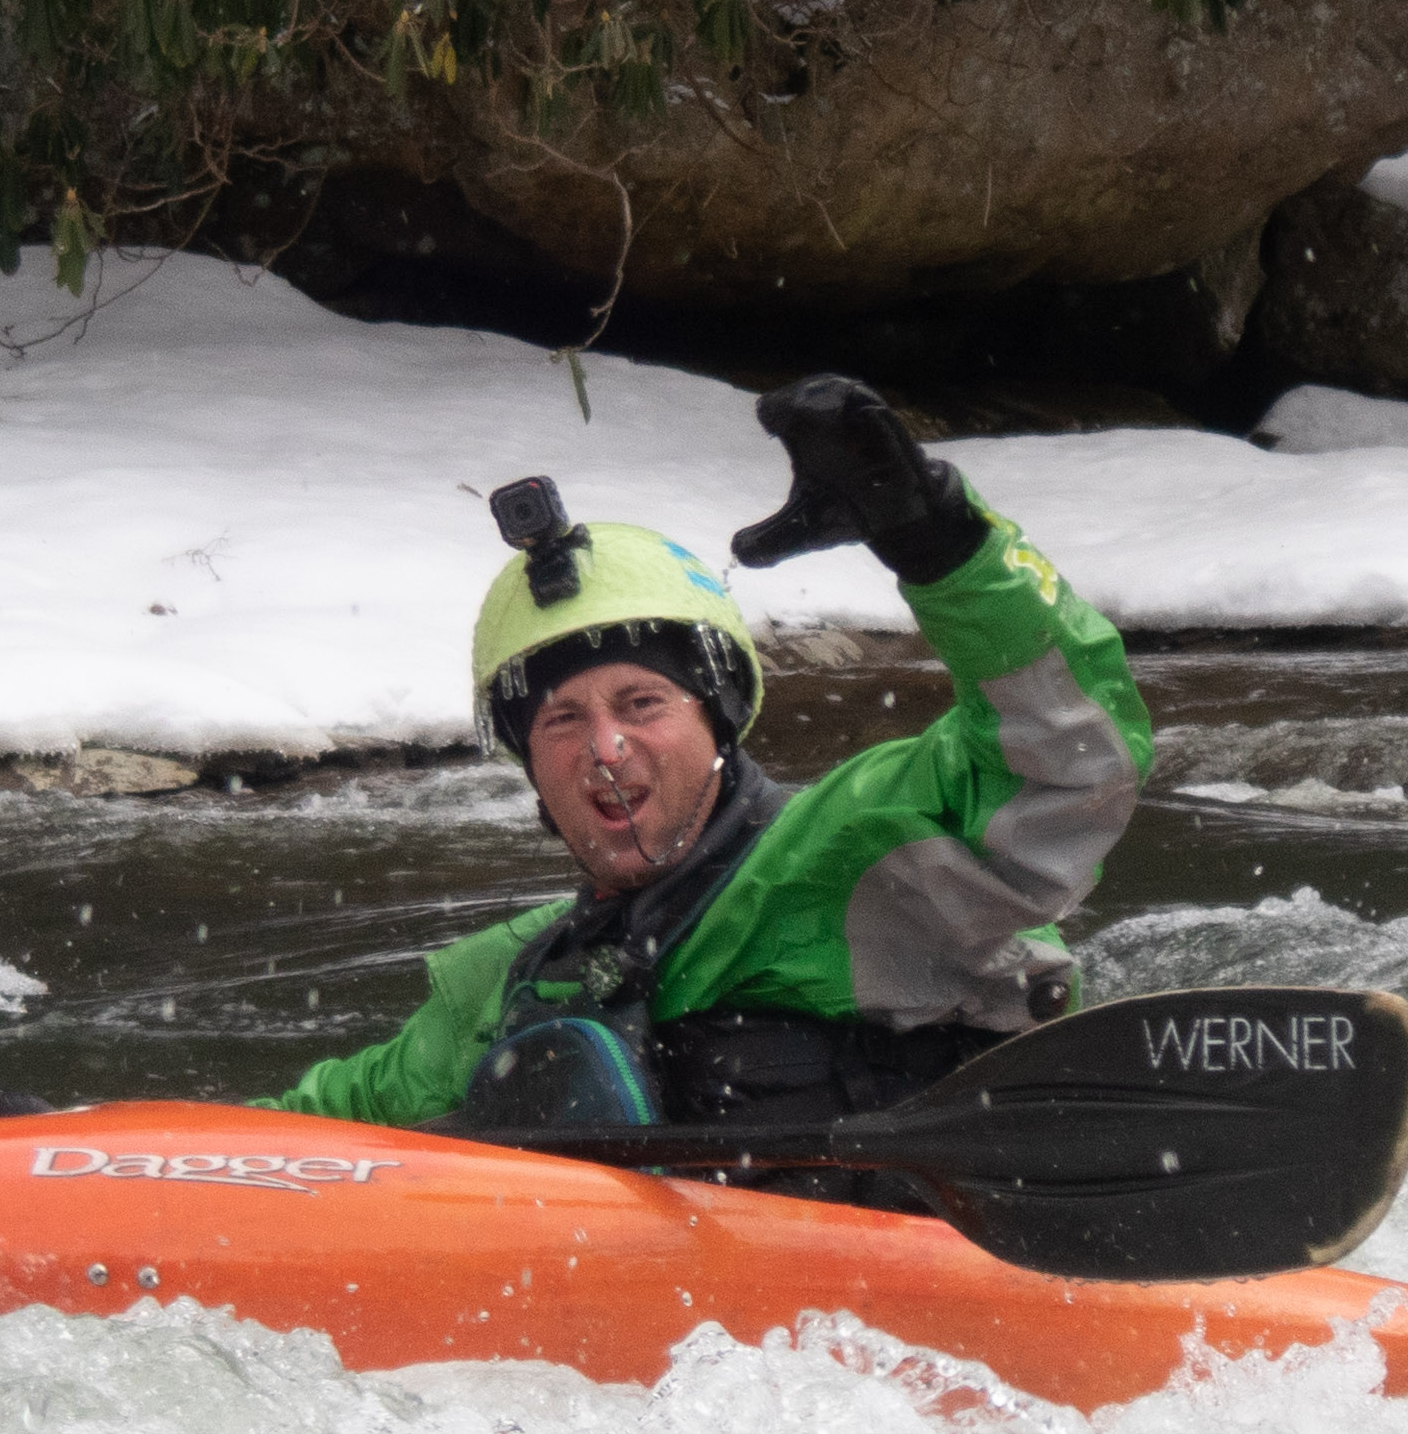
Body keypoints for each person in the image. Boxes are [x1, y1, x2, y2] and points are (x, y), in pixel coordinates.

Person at [261, 377, 1152, 1151]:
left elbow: (1072, 759)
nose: (605, 748)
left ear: (716, 720)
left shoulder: (859, 857)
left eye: (641, 704)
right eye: (563, 719)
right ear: (530, 767)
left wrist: (943, 547)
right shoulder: (504, 985)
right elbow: (290, 1143)